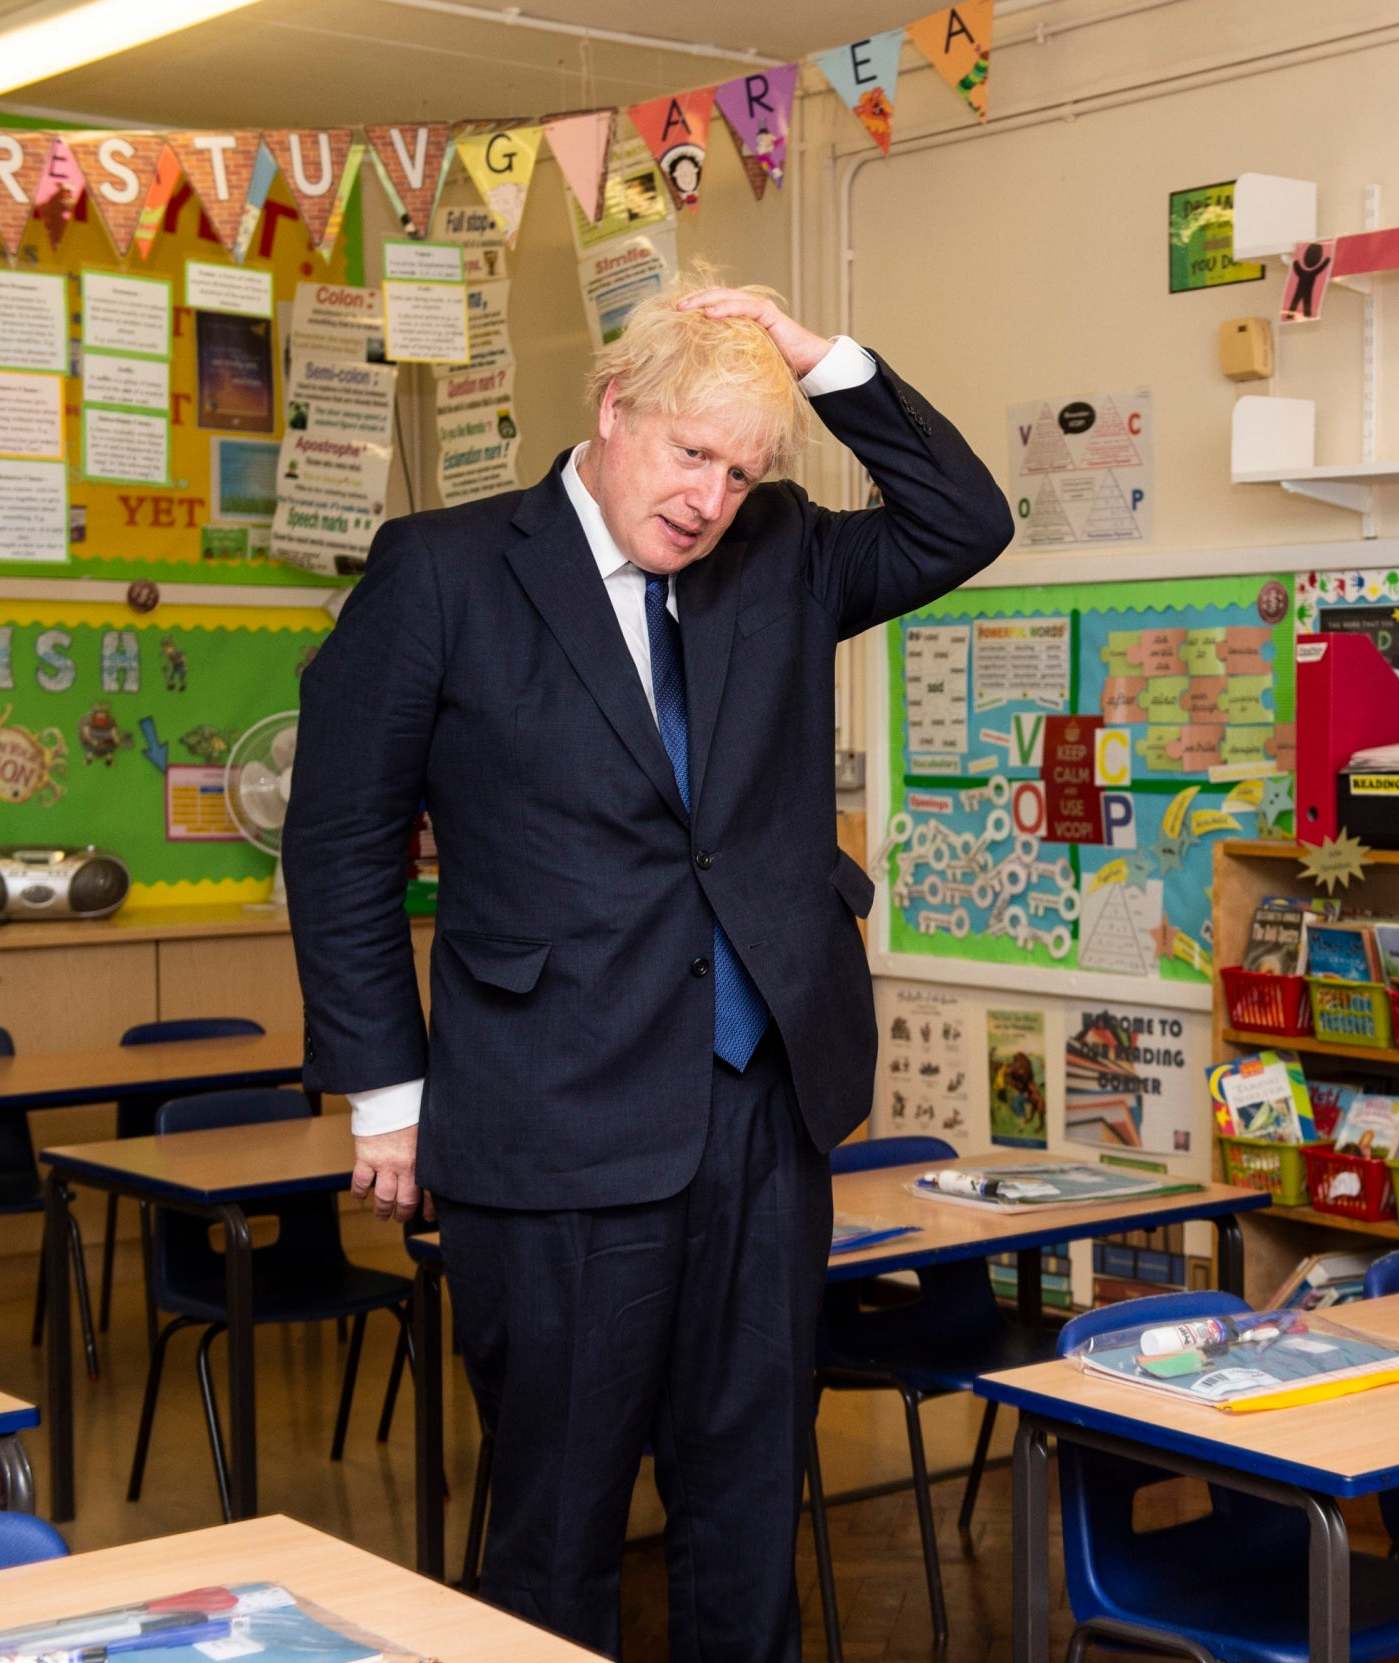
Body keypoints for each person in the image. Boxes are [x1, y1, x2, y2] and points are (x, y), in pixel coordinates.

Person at [285, 273, 1012, 1659]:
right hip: (554, 1115)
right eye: (693, 455)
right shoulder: (442, 570)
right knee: (558, 1519)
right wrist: (384, 1088)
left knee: (746, 1498)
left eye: (741, 473)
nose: (710, 500)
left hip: (761, 1108)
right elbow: (337, 846)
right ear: (614, 410)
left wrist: (818, 357)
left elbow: (964, 520)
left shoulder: (781, 554)